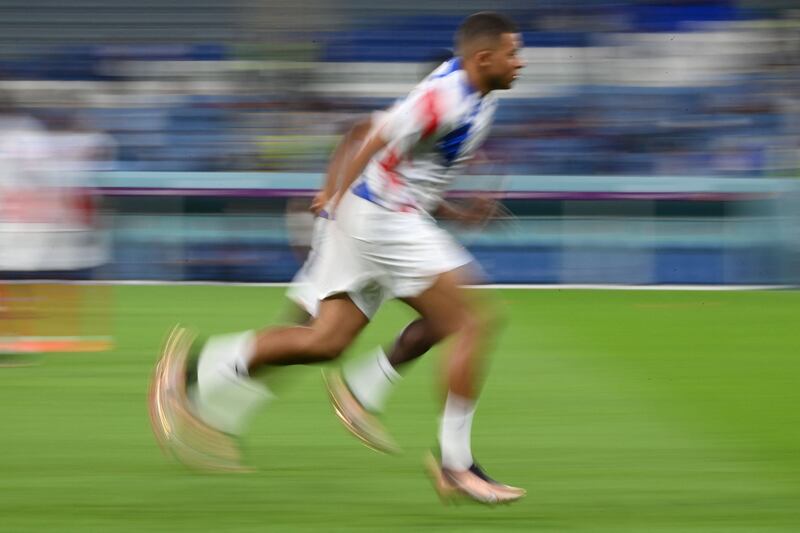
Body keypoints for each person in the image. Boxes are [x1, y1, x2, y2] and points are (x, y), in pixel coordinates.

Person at [150, 11, 525, 504]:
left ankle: (192, 373)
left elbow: (408, 168)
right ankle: (454, 463)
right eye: (512, 53)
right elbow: (372, 134)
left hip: (376, 215)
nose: (520, 63)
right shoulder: (444, 99)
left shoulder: (474, 95)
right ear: (483, 58)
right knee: (472, 321)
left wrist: (457, 211)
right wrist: (331, 194)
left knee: (324, 340)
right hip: (381, 218)